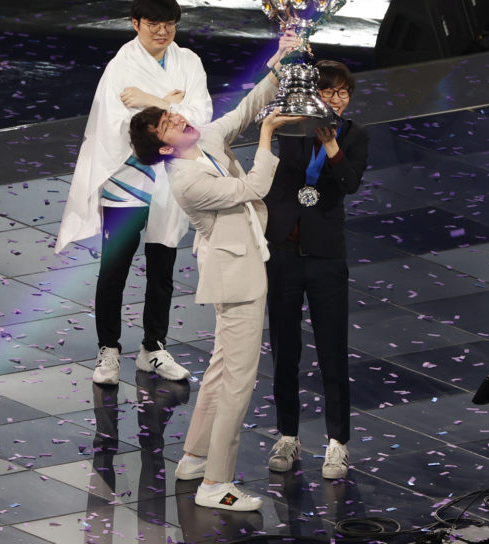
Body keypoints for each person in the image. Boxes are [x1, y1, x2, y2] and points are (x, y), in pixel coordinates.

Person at [128, 32, 301, 511]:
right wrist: (268, 135)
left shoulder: (201, 140)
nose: (178, 119)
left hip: (238, 264)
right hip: (235, 276)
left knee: (223, 370)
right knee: (237, 383)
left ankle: (194, 458)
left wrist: (279, 63)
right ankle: (215, 484)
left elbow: (244, 111)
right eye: (168, 124)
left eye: (172, 115)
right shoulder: (188, 181)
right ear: (163, 148)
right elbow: (254, 187)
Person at [55, 0, 212, 386]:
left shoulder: (188, 61)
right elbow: (128, 128)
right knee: (114, 269)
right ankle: (108, 349)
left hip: (171, 179)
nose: (163, 31)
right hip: (127, 179)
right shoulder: (120, 66)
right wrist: (172, 106)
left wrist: (151, 100)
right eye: (153, 23)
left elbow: (200, 118)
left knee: (162, 268)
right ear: (135, 23)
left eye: (169, 24)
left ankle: (153, 348)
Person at [263, 60, 369, 480]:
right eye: (328, 91)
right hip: (285, 253)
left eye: (343, 92)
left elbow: (350, 183)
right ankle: (287, 435)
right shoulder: (290, 128)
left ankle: (337, 443)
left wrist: (332, 146)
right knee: (285, 349)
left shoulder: (355, 135)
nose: (336, 99)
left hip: (326, 254)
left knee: (332, 351)